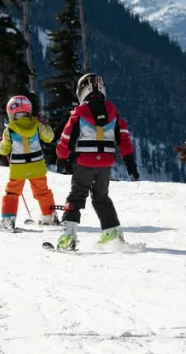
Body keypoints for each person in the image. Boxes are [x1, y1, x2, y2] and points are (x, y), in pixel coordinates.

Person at [54, 73, 140, 251]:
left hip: (84, 163)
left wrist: (61, 157)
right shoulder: (114, 114)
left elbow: (67, 138)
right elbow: (124, 139)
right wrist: (130, 161)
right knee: (101, 197)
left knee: (76, 198)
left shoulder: (79, 114)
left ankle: (68, 237)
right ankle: (112, 234)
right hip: (105, 165)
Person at [0, 95, 60, 229]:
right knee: (42, 191)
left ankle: (8, 218)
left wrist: (0, 143)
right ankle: (49, 216)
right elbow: (50, 138)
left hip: (18, 168)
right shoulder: (37, 125)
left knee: (12, 192)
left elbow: (3, 150)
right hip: (37, 166)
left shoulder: (10, 129)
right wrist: (44, 123)